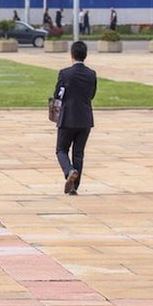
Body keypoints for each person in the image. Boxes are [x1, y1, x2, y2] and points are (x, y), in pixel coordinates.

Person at [52, 41, 96, 196]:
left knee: (61, 149)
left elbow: (58, 95)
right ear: (85, 55)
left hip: (68, 117)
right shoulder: (91, 74)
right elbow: (92, 95)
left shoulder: (65, 73)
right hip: (85, 118)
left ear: (71, 54)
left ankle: (69, 171)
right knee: (78, 153)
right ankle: (74, 187)